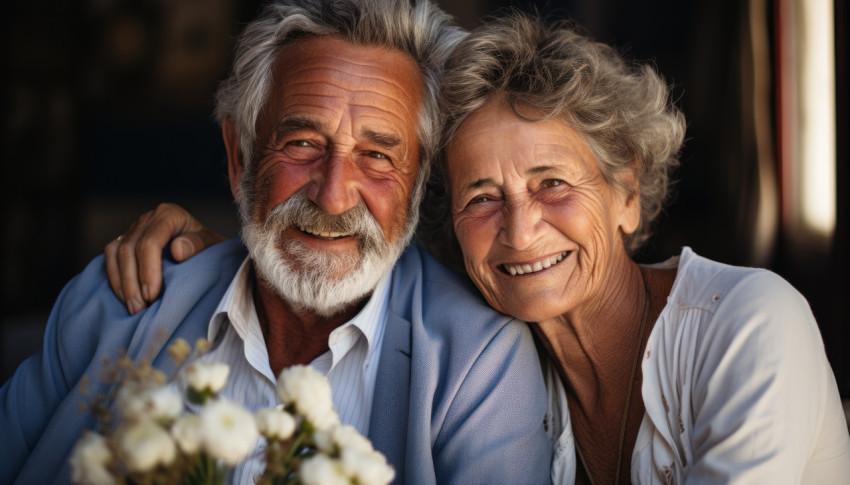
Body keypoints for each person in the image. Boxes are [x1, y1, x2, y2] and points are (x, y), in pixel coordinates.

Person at [118, 11, 850, 484]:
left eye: (553, 182)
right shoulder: (500, 373)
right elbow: (341, 240)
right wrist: (233, 261)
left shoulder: (751, 323)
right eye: (482, 197)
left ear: (628, 190)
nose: (521, 228)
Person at [0, 2, 553, 484]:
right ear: (240, 153)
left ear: (417, 182)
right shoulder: (119, 302)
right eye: (303, 143)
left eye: (377, 155)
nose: (334, 198)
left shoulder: (478, 365)